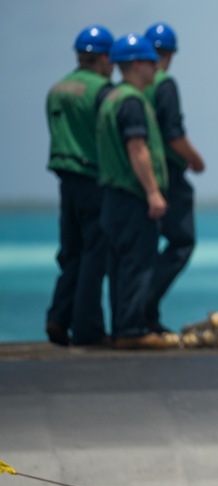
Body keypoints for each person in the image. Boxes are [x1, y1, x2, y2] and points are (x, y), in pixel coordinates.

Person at [96, 34, 176, 350]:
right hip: (131, 194)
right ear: (136, 64)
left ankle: (122, 326)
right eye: (151, 61)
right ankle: (131, 329)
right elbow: (137, 147)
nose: (157, 67)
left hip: (112, 195)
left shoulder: (111, 97)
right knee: (137, 261)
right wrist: (153, 192)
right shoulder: (131, 101)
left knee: (119, 263)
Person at [44, 25, 115, 347]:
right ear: (102, 58)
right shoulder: (101, 91)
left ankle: (58, 317)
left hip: (65, 179)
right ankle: (88, 328)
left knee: (70, 252)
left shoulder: (56, 89)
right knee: (94, 254)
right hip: (94, 179)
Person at [142, 22, 206, 333]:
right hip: (167, 176)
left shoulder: (130, 87)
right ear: (168, 55)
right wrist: (195, 160)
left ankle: (138, 315)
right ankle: (145, 308)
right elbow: (172, 135)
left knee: (143, 246)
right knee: (182, 240)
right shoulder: (164, 84)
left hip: (138, 177)